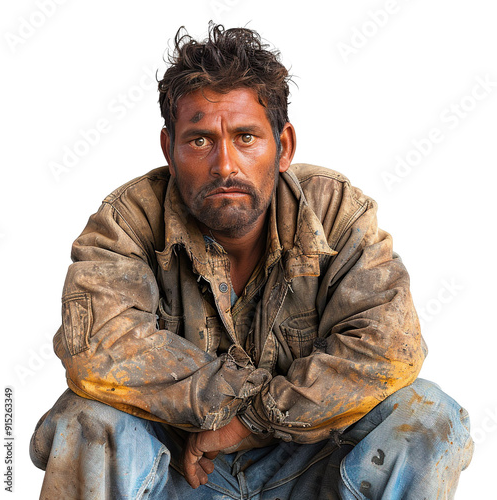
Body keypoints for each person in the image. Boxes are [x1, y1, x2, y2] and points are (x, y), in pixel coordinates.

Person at [30, 24, 473, 499]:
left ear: (283, 146)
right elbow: (95, 353)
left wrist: (250, 422)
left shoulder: (337, 213)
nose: (225, 164)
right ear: (169, 149)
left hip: (311, 467)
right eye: (200, 140)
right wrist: (235, 403)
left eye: (246, 137)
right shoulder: (127, 223)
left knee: (430, 416)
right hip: (180, 470)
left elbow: (389, 349)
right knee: (85, 420)